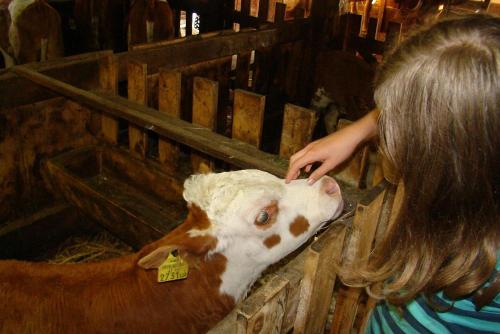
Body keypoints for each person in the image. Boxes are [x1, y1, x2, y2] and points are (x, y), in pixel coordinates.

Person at [286, 14, 499, 333]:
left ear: (439, 164)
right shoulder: (471, 198)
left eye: (392, 129)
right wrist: (359, 130)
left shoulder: (447, 310)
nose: (383, 140)